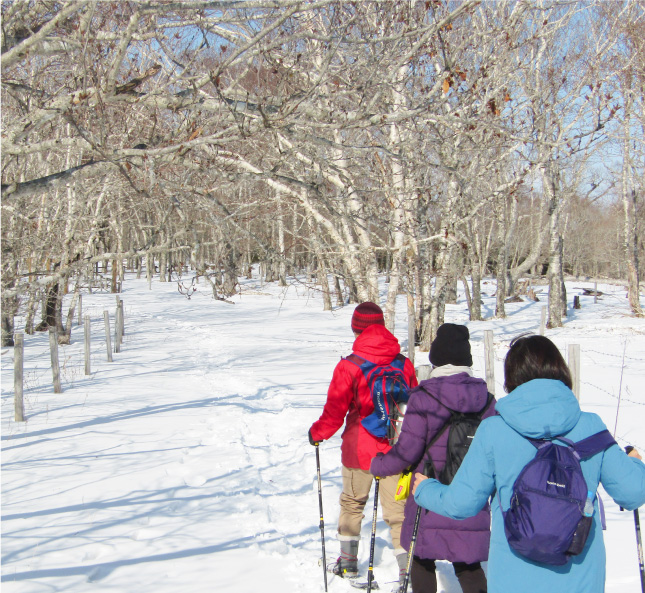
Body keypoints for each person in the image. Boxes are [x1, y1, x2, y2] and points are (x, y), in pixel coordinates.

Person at [413, 333, 645, 593]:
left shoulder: (495, 430)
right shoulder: (590, 426)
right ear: (559, 369)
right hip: (581, 580)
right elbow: (634, 492)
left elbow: (462, 503)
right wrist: (635, 462)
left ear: (512, 378)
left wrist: (425, 489)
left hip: (514, 580)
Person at [370, 323, 495, 593]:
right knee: (469, 565)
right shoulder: (487, 401)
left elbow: (407, 452)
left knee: (421, 558)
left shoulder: (424, 397)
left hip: (428, 495)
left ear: (436, 358)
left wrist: (379, 464)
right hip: (471, 495)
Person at [309, 301, 418, 587]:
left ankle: (347, 564)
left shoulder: (349, 365)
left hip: (360, 449)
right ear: (382, 325)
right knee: (398, 511)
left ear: (356, 328)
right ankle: (407, 572)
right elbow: (415, 407)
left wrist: (317, 433)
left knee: (353, 502)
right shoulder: (403, 363)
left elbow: (334, 412)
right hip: (398, 447)